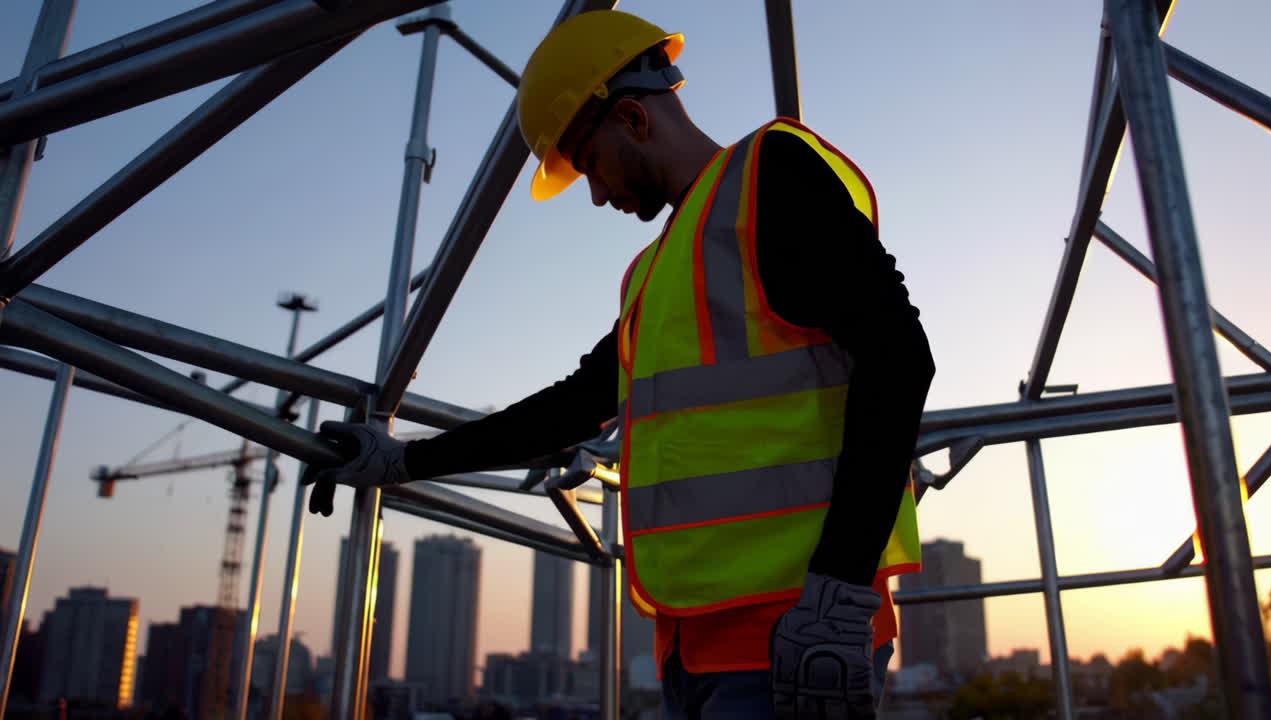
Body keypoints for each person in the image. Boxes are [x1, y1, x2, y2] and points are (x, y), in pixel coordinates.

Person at [304, 10, 934, 719]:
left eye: (591, 166)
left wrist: (840, 592)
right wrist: (399, 462)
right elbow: (575, 404)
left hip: (794, 631)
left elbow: (899, 356)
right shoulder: (661, 269)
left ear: (633, 119)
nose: (598, 195)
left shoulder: (769, 180)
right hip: (694, 644)